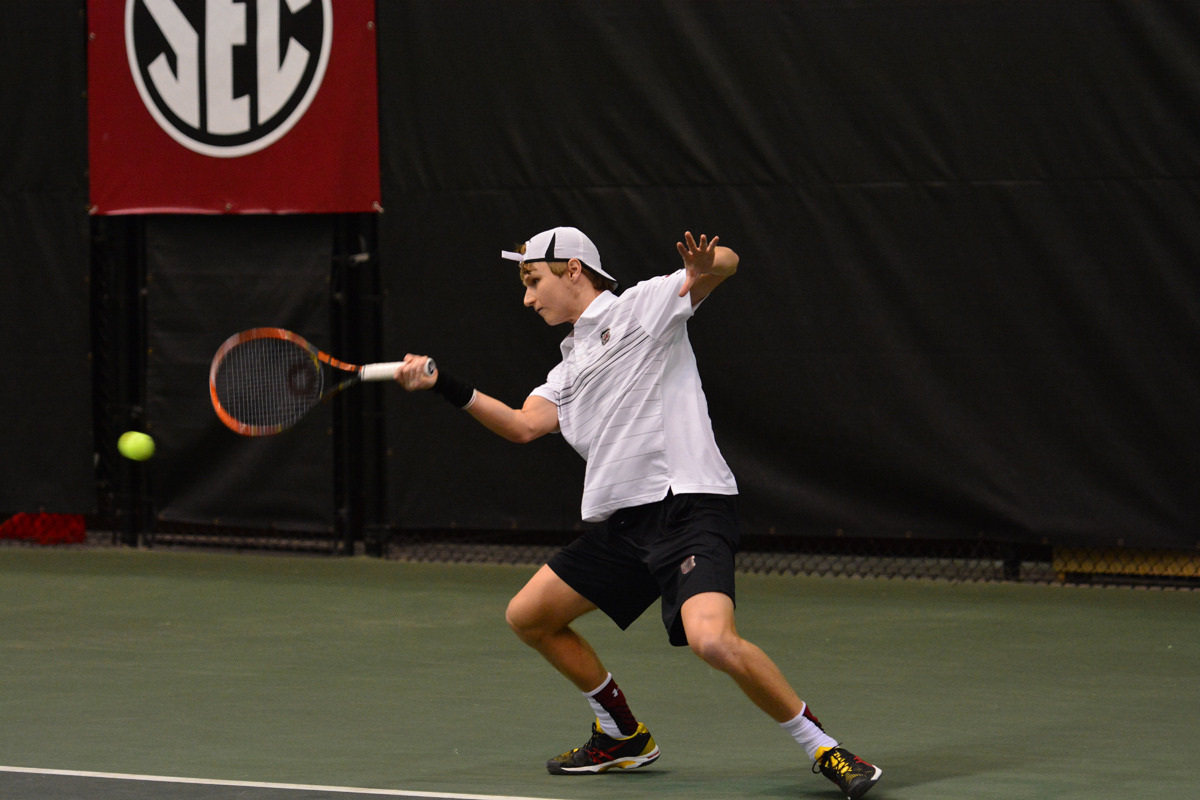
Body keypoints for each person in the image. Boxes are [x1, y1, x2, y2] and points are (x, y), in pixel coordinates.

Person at [392, 226, 881, 799]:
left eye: (534, 280)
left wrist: (710, 262)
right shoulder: (568, 369)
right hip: (625, 524)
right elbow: (522, 425)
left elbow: (723, 265)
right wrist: (443, 384)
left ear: (574, 269)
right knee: (529, 616)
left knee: (712, 641)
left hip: (688, 507)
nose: (527, 297)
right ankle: (621, 735)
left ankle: (824, 748)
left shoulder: (643, 308)